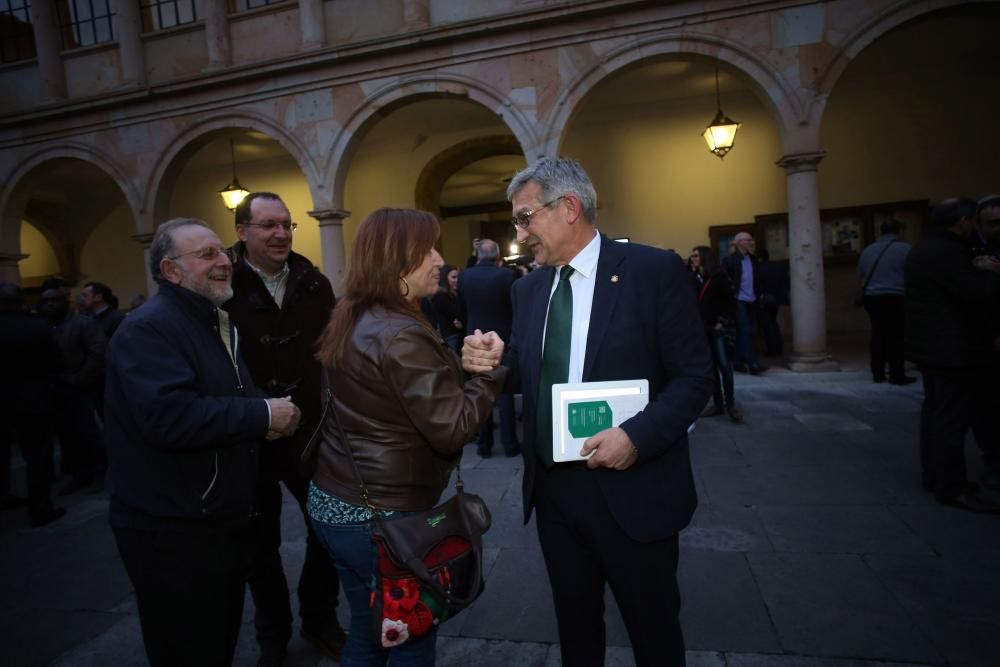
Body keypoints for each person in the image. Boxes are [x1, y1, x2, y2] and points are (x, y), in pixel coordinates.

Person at [465, 158, 714, 667]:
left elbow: (694, 379)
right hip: (557, 494)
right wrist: (494, 359)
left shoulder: (651, 271)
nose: (520, 231)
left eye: (525, 216)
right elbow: (525, 365)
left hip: (634, 490)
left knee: (654, 632)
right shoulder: (528, 288)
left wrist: (636, 438)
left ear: (569, 208)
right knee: (576, 632)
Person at [308, 208, 507, 666]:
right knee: (412, 640)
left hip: (336, 503)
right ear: (397, 260)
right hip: (382, 518)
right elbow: (453, 427)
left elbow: (388, 393)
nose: (440, 259)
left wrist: (459, 366)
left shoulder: (355, 313)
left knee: (369, 630)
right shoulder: (399, 331)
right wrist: (490, 375)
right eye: (428, 250)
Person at [105, 218, 302, 666]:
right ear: (171, 271)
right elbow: (170, 417)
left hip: (214, 520)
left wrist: (263, 413)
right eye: (207, 254)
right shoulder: (149, 329)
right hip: (172, 530)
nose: (223, 262)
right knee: (189, 648)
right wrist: (263, 414)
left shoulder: (210, 320)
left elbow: (226, 394)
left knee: (217, 640)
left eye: (223, 253)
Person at [227, 192, 345, 666]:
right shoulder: (221, 283)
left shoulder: (313, 282)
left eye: (286, 225)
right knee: (259, 549)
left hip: (311, 434)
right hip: (249, 439)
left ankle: (320, 620)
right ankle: (272, 637)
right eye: (267, 225)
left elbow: (332, 352)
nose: (279, 234)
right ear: (242, 232)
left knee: (329, 531)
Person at [905, 198, 1000, 514]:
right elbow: (976, 294)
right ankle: (951, 484)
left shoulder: (924, 248)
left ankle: (935, 475)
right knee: (950, 418)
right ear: (963, 222)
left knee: (936, 412)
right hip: (952, 348)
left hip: (934, 346)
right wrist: (990, 273)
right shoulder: (949, 252)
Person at [0, 283, 65, 527]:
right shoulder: (38, 328)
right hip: (33, 402)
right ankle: (40, 509)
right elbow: (56, 362)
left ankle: (4, 496)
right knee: (37, 457)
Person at [38, 287, 106, 494]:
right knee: (67, 436)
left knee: (87, 432)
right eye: (45, 301)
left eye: (54, 300)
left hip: (81, 388)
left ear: (65, 302)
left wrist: (80, 378)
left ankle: (100, 473)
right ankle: (78, 474)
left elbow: (97, 353)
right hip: (56, 389)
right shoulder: (44, 327)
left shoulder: (83, 323)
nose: (49, 305)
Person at [458, 238, 520, 457]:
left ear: (478, 255)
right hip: (501, 338)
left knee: (480, 393)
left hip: (475, 339)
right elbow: (513, 308)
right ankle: (510, 445)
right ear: (497, 255)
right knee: (504, 395)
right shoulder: (506, 276)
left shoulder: (465, 276)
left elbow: (462, 307)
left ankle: (484, 446)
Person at [857, 220, 916, 385]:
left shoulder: (867, 250)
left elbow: (860, 275)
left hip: (872, 297)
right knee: (896, 336)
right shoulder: (906, 249)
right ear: (898, 231)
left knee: (878, 334)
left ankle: (878, 373)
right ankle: (897, 375)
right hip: (896, 295)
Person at [690, 246, 743, 423]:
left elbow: (731, 302)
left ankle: (731, 405)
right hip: (702, 330)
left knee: (725, 367)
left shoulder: (719, 277)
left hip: (717, 329)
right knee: (711, 369)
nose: (693, 258)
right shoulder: (695, 277)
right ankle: (718, 404)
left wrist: (722, 321)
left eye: (696, 255)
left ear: (705, 257)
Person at [723, 231, 767, 374]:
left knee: (747, 332)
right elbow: (725, 281)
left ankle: (738, 362)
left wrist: (760, 295)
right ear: (739, 242)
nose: (750, 242)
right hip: (739, 300)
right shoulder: (729, 261)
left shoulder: (753, 260)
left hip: (752, 300)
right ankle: (752, 363)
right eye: (747, 240)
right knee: (745, 330)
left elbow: (758, 280)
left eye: (750, 239)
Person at [755, 249, 789, 358]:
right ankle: (778, 348)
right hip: (776, 299)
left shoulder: (758, 268)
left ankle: (772, 350)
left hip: (765, 298)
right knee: (773, 322)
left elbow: (757, 285)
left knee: (767, 324)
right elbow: (786, 282)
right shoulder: (778, 266)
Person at [430, 264, 463, 352]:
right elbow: (458, 313)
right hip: (450, 338)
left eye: (458, 277)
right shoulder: (441, 296)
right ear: (445, 278)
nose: (457, 280)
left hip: (454, 335)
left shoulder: (452, 294)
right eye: (454, 277)